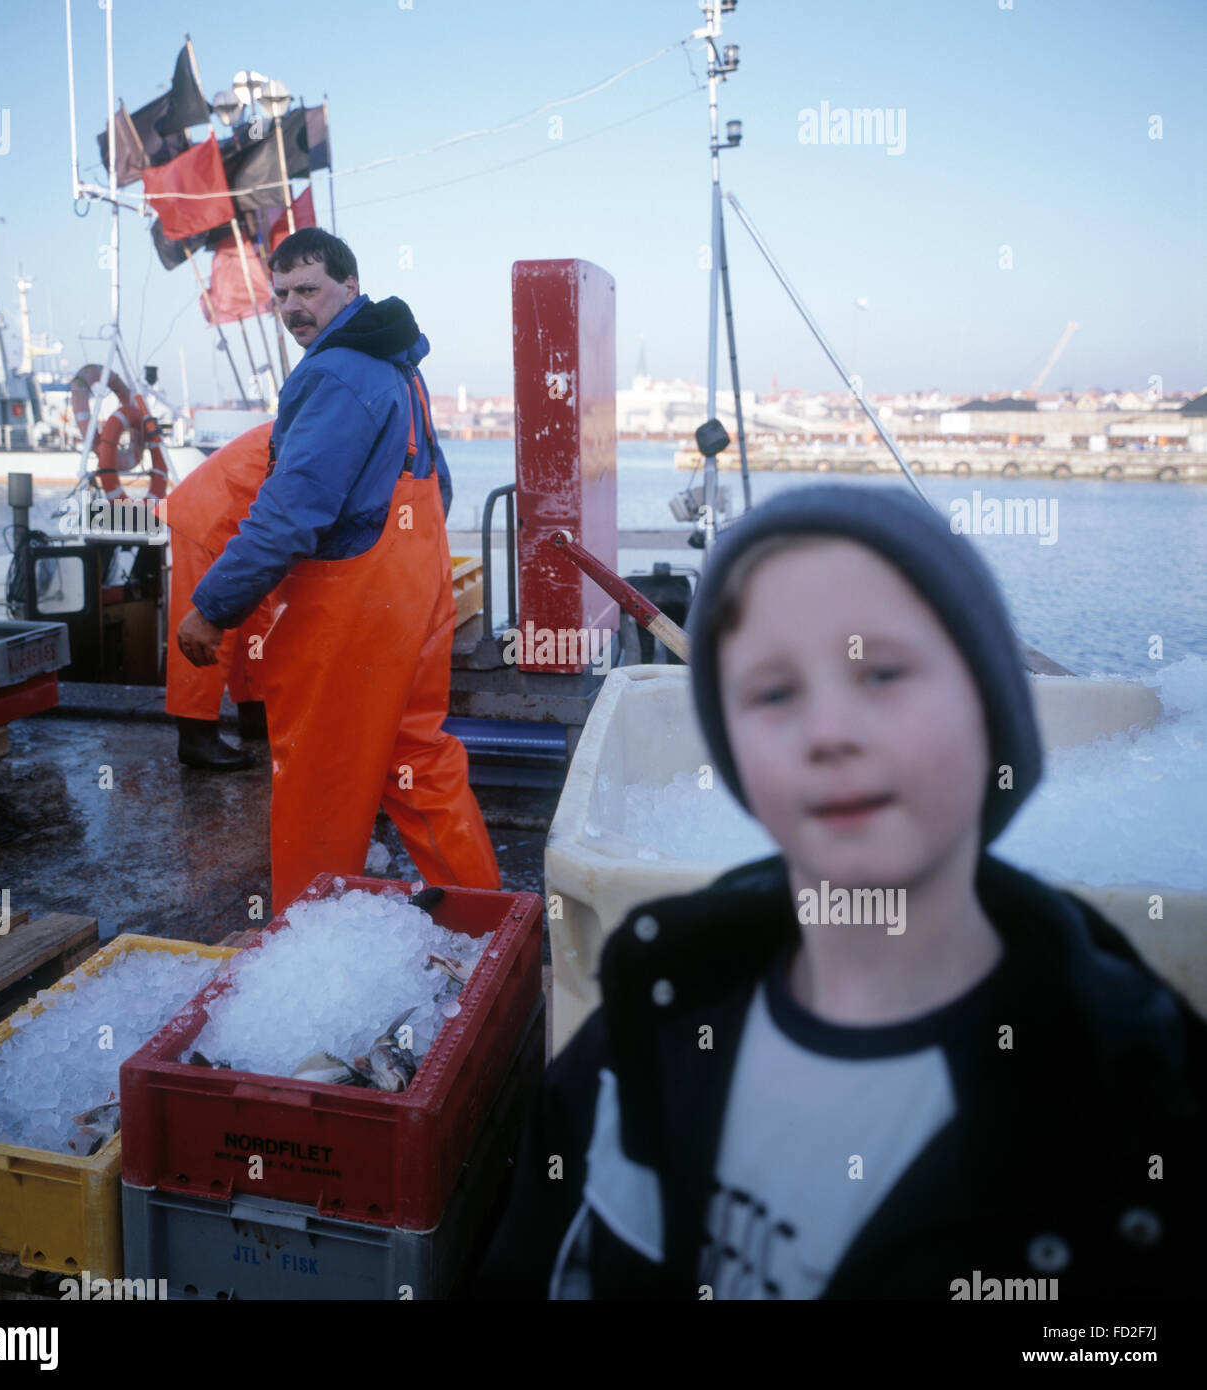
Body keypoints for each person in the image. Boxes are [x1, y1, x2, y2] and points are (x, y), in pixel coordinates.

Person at [475, 483, 1205, 1299]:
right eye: (774, 693)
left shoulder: (1132, 1094)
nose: (829, 734)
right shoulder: (653, 1012)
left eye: (884, 672)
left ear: (989, 714)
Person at [176, 228, 500, 912]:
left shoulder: (332, 373)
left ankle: (307, 947)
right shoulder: (396, 367)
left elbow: (289, 513)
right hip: (413, 601)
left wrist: (214, 607)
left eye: (309, 290)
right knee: (418, 760)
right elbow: (435, 488)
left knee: (321, 778)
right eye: (282, 295)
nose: (294, 306)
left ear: (349, 288)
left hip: (351, 618)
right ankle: (487, 923)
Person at [164, 422, 274, 770]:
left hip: (232, 514)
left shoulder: (320, 416)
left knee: (257, 619)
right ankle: (196, 737)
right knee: (202, 625)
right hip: (210, 518)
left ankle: (256, 712)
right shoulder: (333, 427)